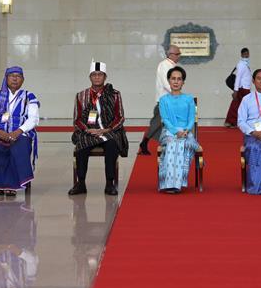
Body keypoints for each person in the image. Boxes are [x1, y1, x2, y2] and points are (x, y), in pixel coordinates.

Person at [70, 61, 128, 197]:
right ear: (90, 77)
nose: (97, 77)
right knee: (81, 146)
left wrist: (107, 130)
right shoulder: (81, 95)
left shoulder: (114, 94)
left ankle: (109, 183)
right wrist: (87, 130)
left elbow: (120, 117)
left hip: (108, 131)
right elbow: (77, 119)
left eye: (100, 74)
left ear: (105, 77)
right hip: (88, 132)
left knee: (112, 144)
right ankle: (81, 183)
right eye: (94, 75)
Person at [0, 66, 40, 197]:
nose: (14, 78)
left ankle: (12, 185)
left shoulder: (29, 97)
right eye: (11, 75)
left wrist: (18, 131)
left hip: (19, 134)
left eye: (18, 76)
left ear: (23, 80)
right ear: (6, 78)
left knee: (20, 146)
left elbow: (33, 119)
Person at [157, 66, 201, 193]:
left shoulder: (188, 99)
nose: (176, 81)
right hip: (168, 132)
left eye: (179, 79)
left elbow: (191, 118)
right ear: (169, 81)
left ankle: (178, 183)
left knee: (185, 144)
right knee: (172, 143)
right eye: (173, 79)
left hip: (186, 131)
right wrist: (176, 131)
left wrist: (186, 130)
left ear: (183, 82)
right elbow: (165, 119)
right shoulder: (163, 100)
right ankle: (168, 183)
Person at [138, 45, 181, 155]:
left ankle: (162, 145)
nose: (179, 56)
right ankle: (146, 143)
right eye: (177, 54)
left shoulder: (172, 65)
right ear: (170, 54)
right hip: (165, 100)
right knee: (156, 124)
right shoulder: (164, 65)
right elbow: (166, 83)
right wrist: (176, 91)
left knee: (163, 125)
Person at [224, 48, 252, 128]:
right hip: (242, 88)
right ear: (241, 55)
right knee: (239, 105)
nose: (246, 55)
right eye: (245, 54)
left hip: (245, 88)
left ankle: (231, 122)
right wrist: (235, 90)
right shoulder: (241, 64)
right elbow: (238, 78)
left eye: (247, 53)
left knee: (237, 105)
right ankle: (232, 122)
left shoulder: (245, 64)